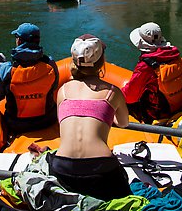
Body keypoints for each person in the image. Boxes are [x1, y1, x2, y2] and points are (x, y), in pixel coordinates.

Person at [47, 34, 132, 201]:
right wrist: (108, 116)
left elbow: (64, 121)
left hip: (62, 167)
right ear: (101, 61)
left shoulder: (62, 91)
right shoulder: (112, 93)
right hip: (101, 169)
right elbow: (123, 123)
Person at [0, 23, 59, 134]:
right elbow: (54, 86)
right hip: (47, 120)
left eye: (17, 37)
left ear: (19, 41)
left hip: (17, 125)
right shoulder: (50, 64)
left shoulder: (6, 70)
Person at [122, 22, 182, 124]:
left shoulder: (146, 66)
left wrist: (116, 95)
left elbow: (130, 97)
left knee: (124, 102)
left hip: (157, 113)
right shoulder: (174, 55)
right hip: (178, 105)